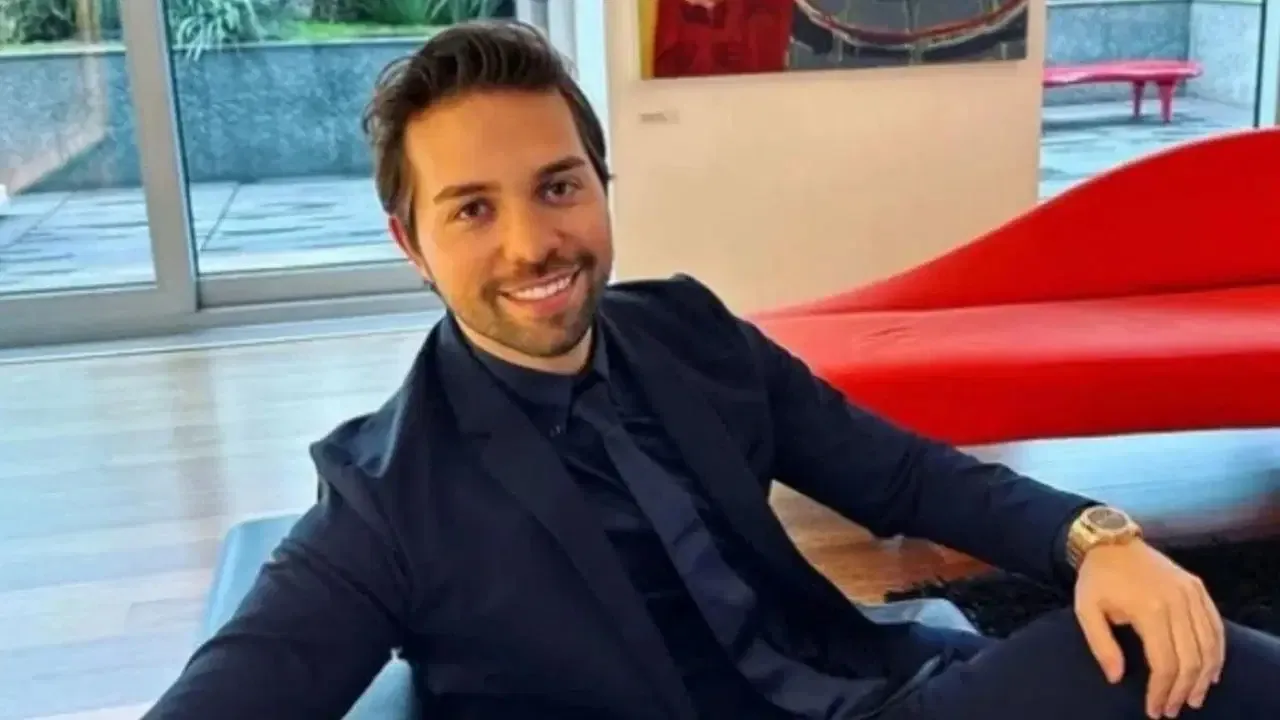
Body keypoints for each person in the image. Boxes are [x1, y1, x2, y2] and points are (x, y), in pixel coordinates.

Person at [145, 20, 1280, 720]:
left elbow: (902, 476)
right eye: (471, 209)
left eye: (557, 187)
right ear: (411, 243)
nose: (533, 243)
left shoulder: (685, 331)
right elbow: (240, 686)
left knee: (1170, 645)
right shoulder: (388, 493)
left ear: (601, 184)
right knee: (1143, 666)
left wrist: (1097, 538)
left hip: (874, 689)